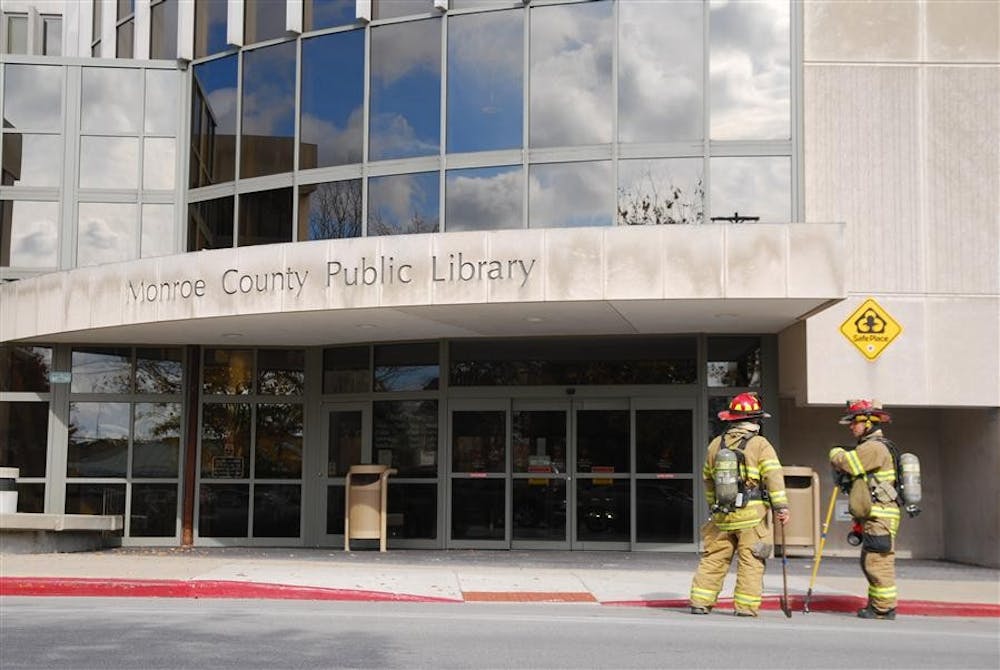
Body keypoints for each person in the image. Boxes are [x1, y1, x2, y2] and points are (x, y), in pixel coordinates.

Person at [689, 392, 789, 617]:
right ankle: (745, 607)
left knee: (714, 559)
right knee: (751, 561)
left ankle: (700, 602)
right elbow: (774, 476)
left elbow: (707, 479)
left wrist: (715, 506)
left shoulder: (716, 444)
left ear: (731, 419)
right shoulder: (760, 444)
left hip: (721, 516)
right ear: (756, 421)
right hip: (751, 517)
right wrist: (781, 507)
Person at [829, 399, 900, 620]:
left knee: (878, 562)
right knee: (872, 560)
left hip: (881, 516)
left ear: (868, 422)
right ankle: (878, 605)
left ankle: (883, 608)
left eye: (854, 422)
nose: (851, 427)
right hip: (875, 515)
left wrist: (835, 454)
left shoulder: (874, 447)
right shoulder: (872, 445)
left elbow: (849, 463)